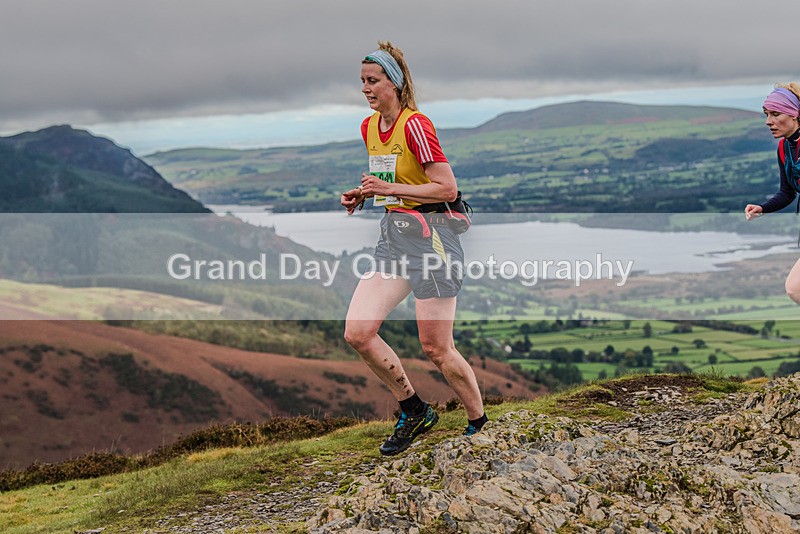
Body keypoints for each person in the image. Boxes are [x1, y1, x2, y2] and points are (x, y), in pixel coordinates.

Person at [340, 41, 487, 456]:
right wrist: (367, 194)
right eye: (362, 82)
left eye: (373, 81)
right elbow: (396, 184)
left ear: (396, 83)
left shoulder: (416, 125)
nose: (366, 89)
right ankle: (414, 409)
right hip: (394, 237)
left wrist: (388, 188)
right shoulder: (369, 128)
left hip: (434, 240)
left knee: (436, 347)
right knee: (358, 331)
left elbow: (446, 187)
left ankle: (479, 424)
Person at [745, 83, 800, 303]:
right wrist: (763, 207)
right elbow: (787, 192)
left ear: (796, 114)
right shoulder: (784, 148)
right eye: (767, 114)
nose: (769, 121)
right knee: (794, 289)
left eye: (776, 114)